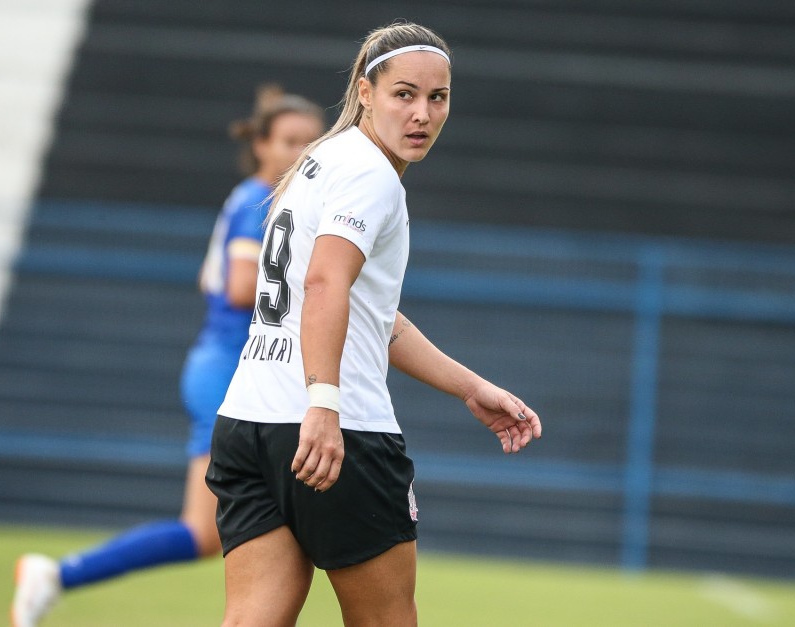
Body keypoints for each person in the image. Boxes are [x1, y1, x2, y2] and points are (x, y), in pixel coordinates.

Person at [205, 21, 543, 627]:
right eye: (403, 94)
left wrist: (470, 387)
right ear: (365, 92)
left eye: (436, 98)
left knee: (251, 619)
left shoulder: (320, 160)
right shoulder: (370, 175)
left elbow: (370, 316)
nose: (422, 114)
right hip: (337, 431)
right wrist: (324, 404)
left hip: (249, 423)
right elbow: (325, 283)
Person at [10, 85, 325, 627]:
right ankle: (59, 575)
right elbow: (242, 287)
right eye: (289, 141)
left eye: (310, 143)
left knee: (204, 533)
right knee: (276, 514)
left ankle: (58, 576)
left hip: (223, 365)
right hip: (229, 368)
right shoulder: (261, 203)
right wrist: (325, 285)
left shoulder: (268, 199)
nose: (300, 153)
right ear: (262, 148)